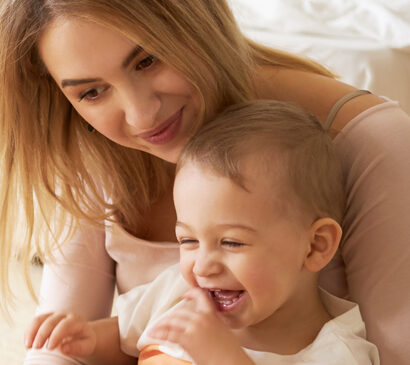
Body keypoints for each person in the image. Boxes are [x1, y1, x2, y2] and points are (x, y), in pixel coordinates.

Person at [0, 0, 409, 364]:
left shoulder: (373, 145)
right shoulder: (176, 287)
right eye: (91, 92)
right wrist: (78, 339)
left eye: (148, 60)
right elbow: (65, 347)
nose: (141, 117)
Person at [25, 101, 380, 364]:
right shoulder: (180, 293)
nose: (203, 266)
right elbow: (124, 337)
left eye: (231, 242)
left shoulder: (337, 352)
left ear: (315, 246)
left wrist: (225, 358)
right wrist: (87, 340)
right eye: (189, 241)